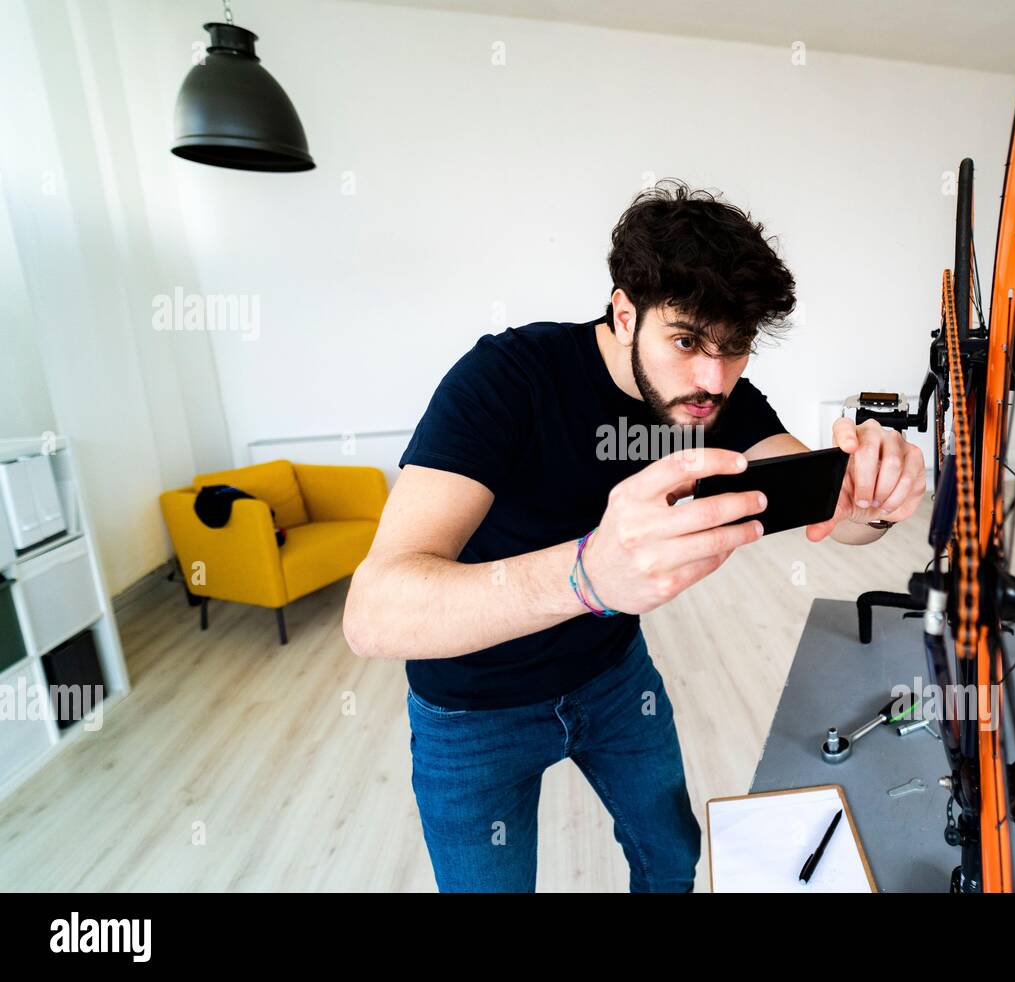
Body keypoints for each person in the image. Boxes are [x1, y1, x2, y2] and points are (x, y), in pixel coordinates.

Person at [343, 180, 926, 892]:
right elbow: (373, 613)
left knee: (672, 855)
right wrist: (587, 576)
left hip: (614, 679)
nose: (713, 378)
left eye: (735, 348)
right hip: (471, 710)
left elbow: (835, 516)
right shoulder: (506, 380)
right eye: (685, 341)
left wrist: (877, 489)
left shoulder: (718, 396)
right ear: (625, 312)